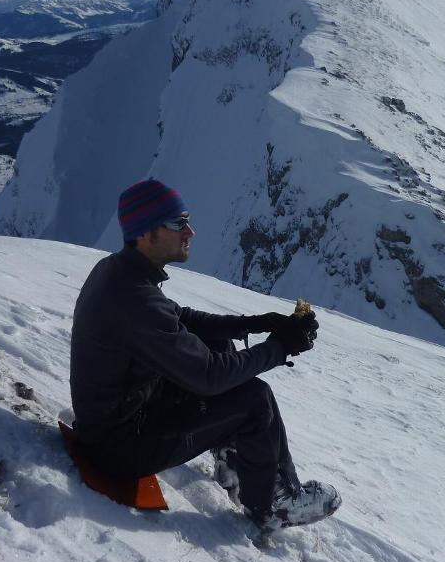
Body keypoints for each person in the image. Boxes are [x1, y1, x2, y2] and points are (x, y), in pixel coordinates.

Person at [69, 178, 341, 531]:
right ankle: (275, 504)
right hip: (119, 447)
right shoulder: (134, 298)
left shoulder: (121, 273)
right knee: (256, 399)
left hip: (117, 418)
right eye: (178, 223)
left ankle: (233, 460)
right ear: (147, 233)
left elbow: (180, 319)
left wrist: (260, 323)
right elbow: (209, 377)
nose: (191, 232)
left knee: (216, 345)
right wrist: (281, 347)